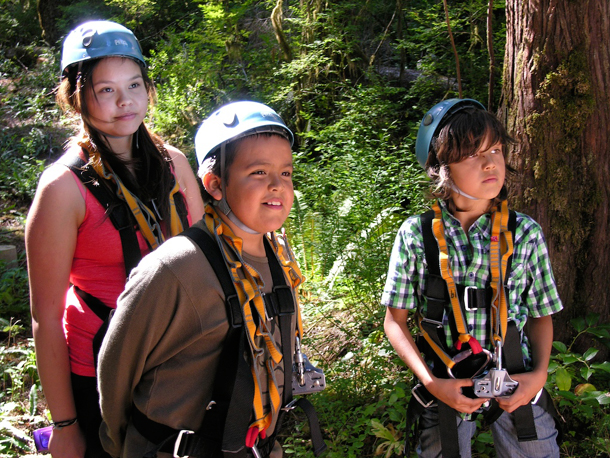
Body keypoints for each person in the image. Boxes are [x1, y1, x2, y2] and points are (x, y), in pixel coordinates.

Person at [97, 101, 325, 458]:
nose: (278, 186)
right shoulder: (176, 268)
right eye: (259, 173)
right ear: (215, 184)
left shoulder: (277, 257)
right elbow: (116, 371)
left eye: (286, 173)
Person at [26, 20, 204, 458]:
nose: (126, 101)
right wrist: (65, 426)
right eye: (106, 90)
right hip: (103, 369)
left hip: (178, 359)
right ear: (75, 95)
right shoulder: (63, 189)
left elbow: (206, 259)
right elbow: (45, 319)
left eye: (135, 84)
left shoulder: (174, 165)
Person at [382, 98, 563, 458]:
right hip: (447, 379)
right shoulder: (418, 235)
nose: (490, 163)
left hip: (514, 374)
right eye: (471, 155)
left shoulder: (523, 233)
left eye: (495, 149)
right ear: (441, 169)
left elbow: (541, 314)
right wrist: (432, 383)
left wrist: (539, 374)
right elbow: (395, 322)